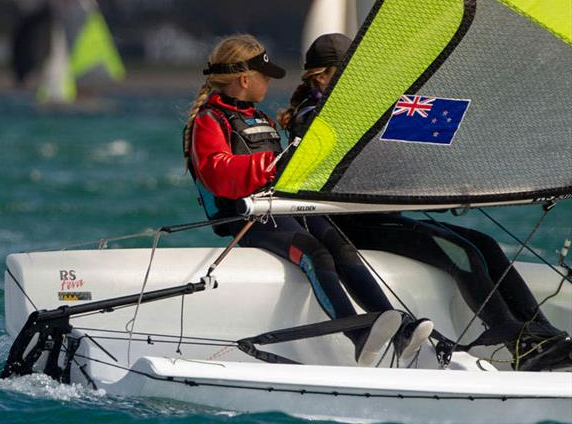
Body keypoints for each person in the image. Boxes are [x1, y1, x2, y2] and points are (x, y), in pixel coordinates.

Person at [281, 33, 572, 371]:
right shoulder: (314, 117)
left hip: (382, 217)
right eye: (349, 70)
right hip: (351, 226)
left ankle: (543, 335)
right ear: (321, 76)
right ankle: (514, 343)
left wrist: (452, 179)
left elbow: (430, 146)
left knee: (486, 244)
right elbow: (366, 165)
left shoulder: (366, 107)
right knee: (461, 253)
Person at [183, 34, 430, 367]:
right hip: (246, 220)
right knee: (316, 255)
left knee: (340, 245)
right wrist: (275, 164)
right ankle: (358, 335)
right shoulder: (209, 121)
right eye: (264, 76)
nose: (269, 82)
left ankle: (398, 329)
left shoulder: (263, 119)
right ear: (245, 80)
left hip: (283, 208)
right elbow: (218, 174)